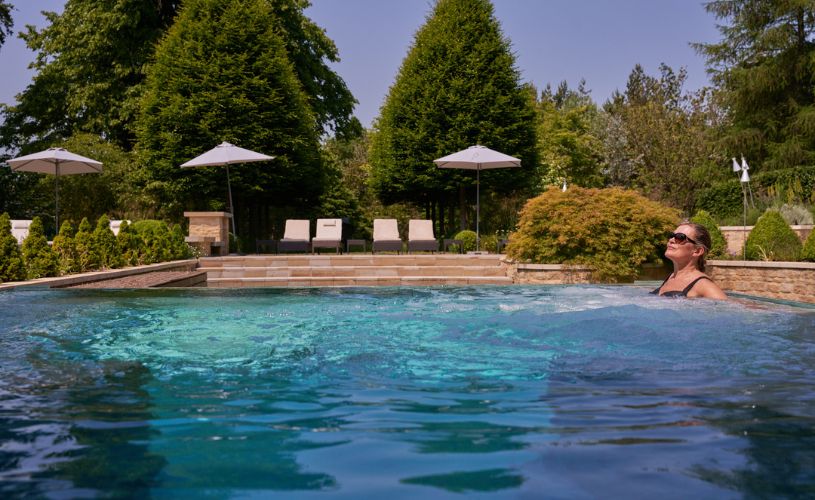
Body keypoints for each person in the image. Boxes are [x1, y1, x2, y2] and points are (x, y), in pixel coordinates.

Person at [651, 222, 728, 300]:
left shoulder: (703, 285)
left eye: (680, 237)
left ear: (697, 251)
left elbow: (728, 305)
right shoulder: (672, 277)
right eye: (671, 235)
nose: (671, 240)